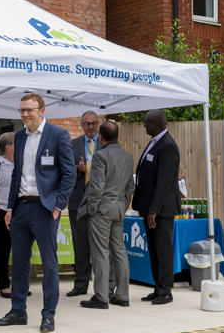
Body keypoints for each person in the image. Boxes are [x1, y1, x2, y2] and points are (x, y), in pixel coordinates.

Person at [0, 93, 75, 333]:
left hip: (45, 208)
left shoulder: (58, 135)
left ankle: (48, 315)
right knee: (18, 264)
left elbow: (69, 174)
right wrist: (10, 207)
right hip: (20, 208)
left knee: (50, 265)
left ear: (41, 110)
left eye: (29, 110)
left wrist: (57, 206)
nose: (25, 114)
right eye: (22, 110)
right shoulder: (19, 137)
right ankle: (18, 312)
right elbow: (16, 174)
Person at [77, 121, 135, 309]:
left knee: (100, 252)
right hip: (118, 209)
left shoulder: (100, 156)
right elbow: (130, 187)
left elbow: (96, 187)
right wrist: (123, 206)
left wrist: (92, 208)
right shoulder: (128, 156)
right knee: (120, 251)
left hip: (101, 210)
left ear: (100, 137)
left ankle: (101, 297)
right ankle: (123, 296)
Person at [132, 109, 181, 305]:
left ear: (156, 123)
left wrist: (154, 209)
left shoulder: (168, 146)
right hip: (150, 208)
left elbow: (164, 182)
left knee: (163, 250)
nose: (144, 125)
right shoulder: (155, 142)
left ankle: (166, 291)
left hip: (161, 210)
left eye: (146, 122)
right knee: (153, 250)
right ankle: (158, 287)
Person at [66, 110, 99, 298]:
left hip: (100, 202)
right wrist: (77, 169)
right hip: (78, 201)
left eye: (94, 123)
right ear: (81, 125)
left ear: (98, 124)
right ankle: (80, 284)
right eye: (87, 123)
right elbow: (64, 171)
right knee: (80, 245)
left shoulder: (106, 144)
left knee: (101, 246)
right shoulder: (72, 145)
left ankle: (104, 287)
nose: (91, 127)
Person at [0, 132, 15, 298]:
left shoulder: (22, 163)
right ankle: (4, 285)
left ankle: (19, 284)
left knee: (21, 250)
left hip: (20, 211)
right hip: (3, 210)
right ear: (8, 146)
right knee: (3, 250)